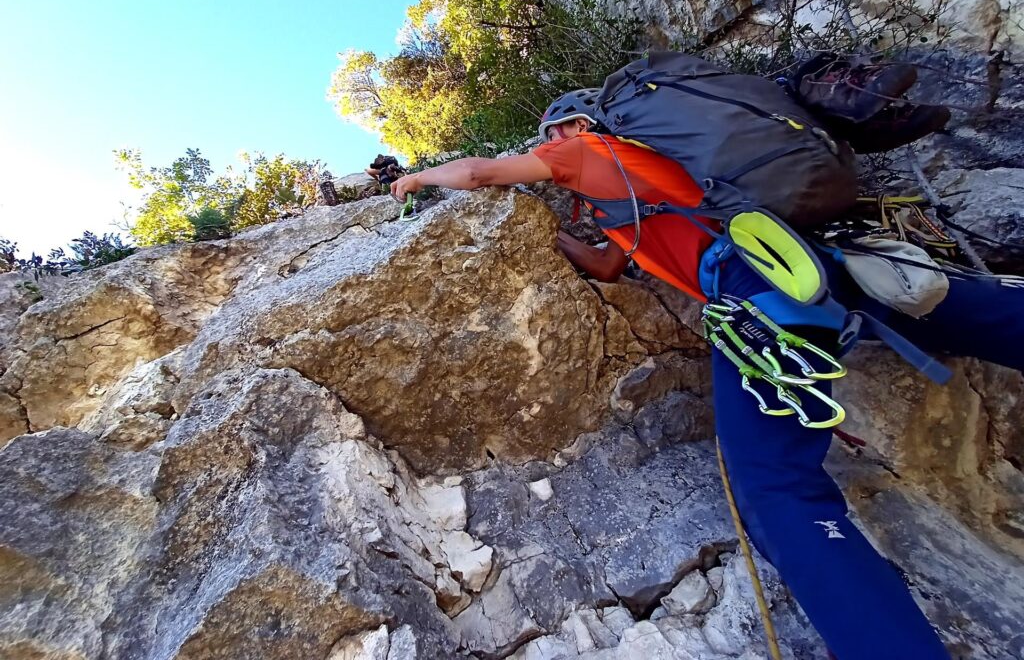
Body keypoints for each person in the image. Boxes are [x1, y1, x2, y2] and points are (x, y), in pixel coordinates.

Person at [387, 88, 1024, 659]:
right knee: (983, 317)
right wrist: (551, 234)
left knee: (775, 487)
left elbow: (477, 172)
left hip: (756, 291)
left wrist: (416, 180)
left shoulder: (585, 149)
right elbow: (609, 267)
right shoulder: (632, 191)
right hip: (814, 259)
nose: (545, 150)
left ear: (570, 126)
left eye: (548, 137)